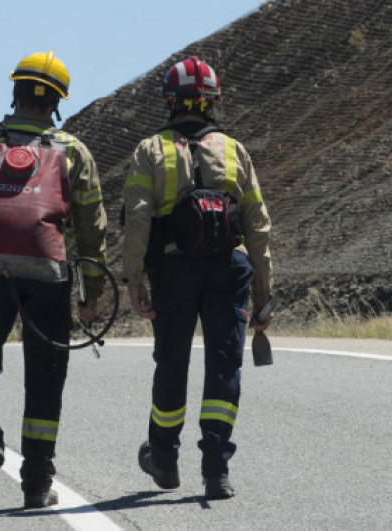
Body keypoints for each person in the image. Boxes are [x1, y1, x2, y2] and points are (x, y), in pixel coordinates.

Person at [0, 51, 108, 509]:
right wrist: (91, 289)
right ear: (56, 102)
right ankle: (36, 484)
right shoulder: (73, 150)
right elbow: (91, 226)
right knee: (45, 377)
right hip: (46, 270)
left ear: (16, 91)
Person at [121, 56, 273, 500]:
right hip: (229, 267)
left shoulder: (150, 150)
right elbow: (258, 224)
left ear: (170, 103)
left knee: (172, 362)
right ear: (212, 103)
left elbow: (137, 220)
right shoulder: (234, 150)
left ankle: (164, 459)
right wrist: (264, 293)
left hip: (174, 269)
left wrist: (135, 279)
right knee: (224, 364)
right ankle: (216, 470)